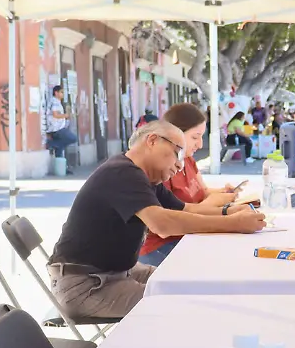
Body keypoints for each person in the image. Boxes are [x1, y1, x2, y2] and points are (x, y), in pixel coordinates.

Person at [49, 121, 267, 318]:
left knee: (190, 281)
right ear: (152, 140)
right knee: (186, 303)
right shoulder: (122, 173)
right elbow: (162, 224)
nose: (180, 165)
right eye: (177, 153)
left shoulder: (144, 177)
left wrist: (230, 211)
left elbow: (187, 209)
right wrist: (234, 224)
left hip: (117, 272)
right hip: (88, 285)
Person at [139, 104, 244, 267]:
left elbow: (201, 192)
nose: (200, 145)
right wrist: (219, 209)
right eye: (195, 137)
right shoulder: (161, 168)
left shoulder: (188, 159)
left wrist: (223, 195)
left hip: (189, 234)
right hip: (163, 244)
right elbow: (167, 224)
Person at [44, 85, 78, 171]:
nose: (63, 94)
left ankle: (62, 169)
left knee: (60, 148)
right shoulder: (54, 101)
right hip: (56, 129)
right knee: (73, 138)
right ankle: (52, 144)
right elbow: (55, 114)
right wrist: (65, 115)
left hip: (57, 128)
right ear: (56, 93)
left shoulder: (57, 102)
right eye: (61, 92)